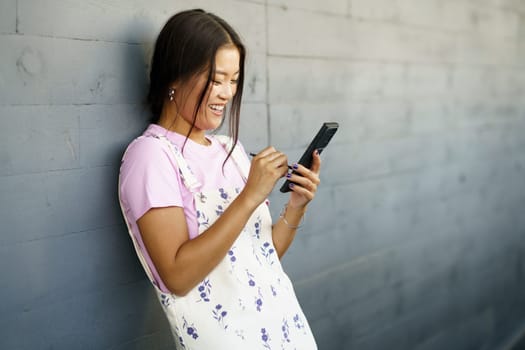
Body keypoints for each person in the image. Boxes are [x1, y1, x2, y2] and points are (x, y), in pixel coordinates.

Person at [119, 9, 321, 349]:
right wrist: (249, 197)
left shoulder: (231, 150)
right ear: (174, 77)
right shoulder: (151, 157)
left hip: (287, 331)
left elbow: (261, 257)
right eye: (216, 79)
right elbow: (177, 277)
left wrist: (296, 206)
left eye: (234, 79)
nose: (227, 93)